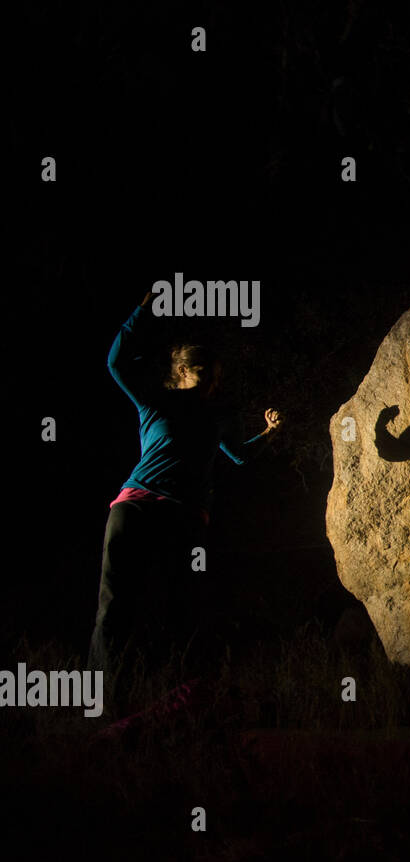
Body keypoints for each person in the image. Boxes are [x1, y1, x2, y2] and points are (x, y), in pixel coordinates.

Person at [88, 288, 282, 729]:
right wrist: (141, 311)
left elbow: (239, 457)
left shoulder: (213, 422)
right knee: (115, 605)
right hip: (135, 508)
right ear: (182, 373)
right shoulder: (155, 401)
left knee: (177, 608)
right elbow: (115, 363)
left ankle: (172, 700)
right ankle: (101, 703)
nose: (211, 383)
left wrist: (268, 433)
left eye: (215, 377)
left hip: (183, 520)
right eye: (203, 374)